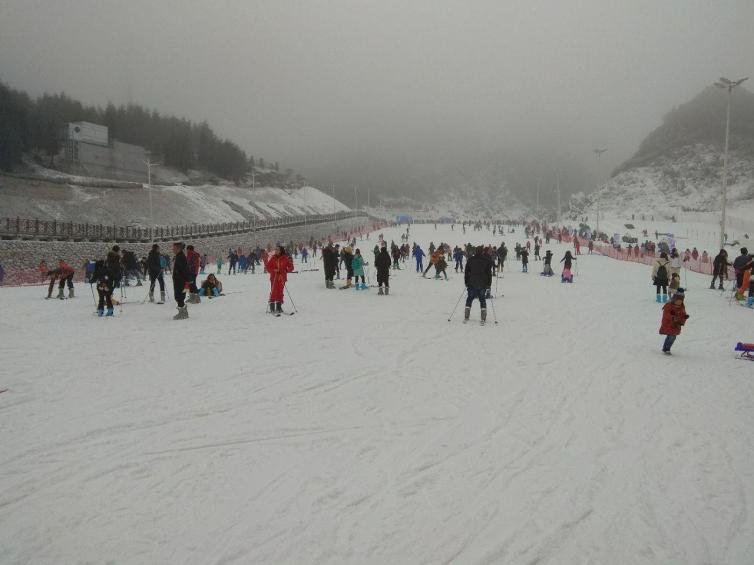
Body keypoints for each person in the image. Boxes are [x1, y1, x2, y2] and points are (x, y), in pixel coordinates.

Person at [464, 246, 493, 324]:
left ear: (475, 252)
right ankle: (483, 317)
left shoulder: (470, 260)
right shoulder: (486, 260)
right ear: (482, 252)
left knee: (469, 298)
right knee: (482, 299)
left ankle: (466, 315)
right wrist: (489, 284)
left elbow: (466, 272)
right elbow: (489, 274)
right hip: (482, 283)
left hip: (472, 283)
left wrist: (466, 282)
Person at [262, 245, 294, 314]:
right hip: (274, 278)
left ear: (281, 251)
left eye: (277, 250)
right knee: (274, 291)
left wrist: (286, 269)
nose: (276, 251)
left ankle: (279, 306)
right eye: (275, 250)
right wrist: (274, 270)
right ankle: (272, 306)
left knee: (280, 292)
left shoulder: (285, 258)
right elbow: (268, 267)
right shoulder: (273, 258)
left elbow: (291, 267)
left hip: (282, 278)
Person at [659, 289, 689, 355]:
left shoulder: (682, 307)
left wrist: (684, 318)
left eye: (681, 301)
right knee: (671, 336)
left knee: (672, 337)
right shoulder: (669, 305)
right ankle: (666, 349)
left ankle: (666, 348)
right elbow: (666, 314)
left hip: (676, 325)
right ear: (674, 299)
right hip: (668, 324)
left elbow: (682, 315)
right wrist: (672, 317)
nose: (679, 302)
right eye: (678, 301)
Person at [172, 242, 191, 320]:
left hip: (180, 281)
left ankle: (182, 313)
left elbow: (182, 269)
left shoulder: (180, 257)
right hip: (183, 280)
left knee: (179, 296)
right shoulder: (180, 256)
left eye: (174, 248)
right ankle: (183, 312)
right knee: (181, 296)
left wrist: (177, 274)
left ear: (178, 248)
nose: (172, 249)